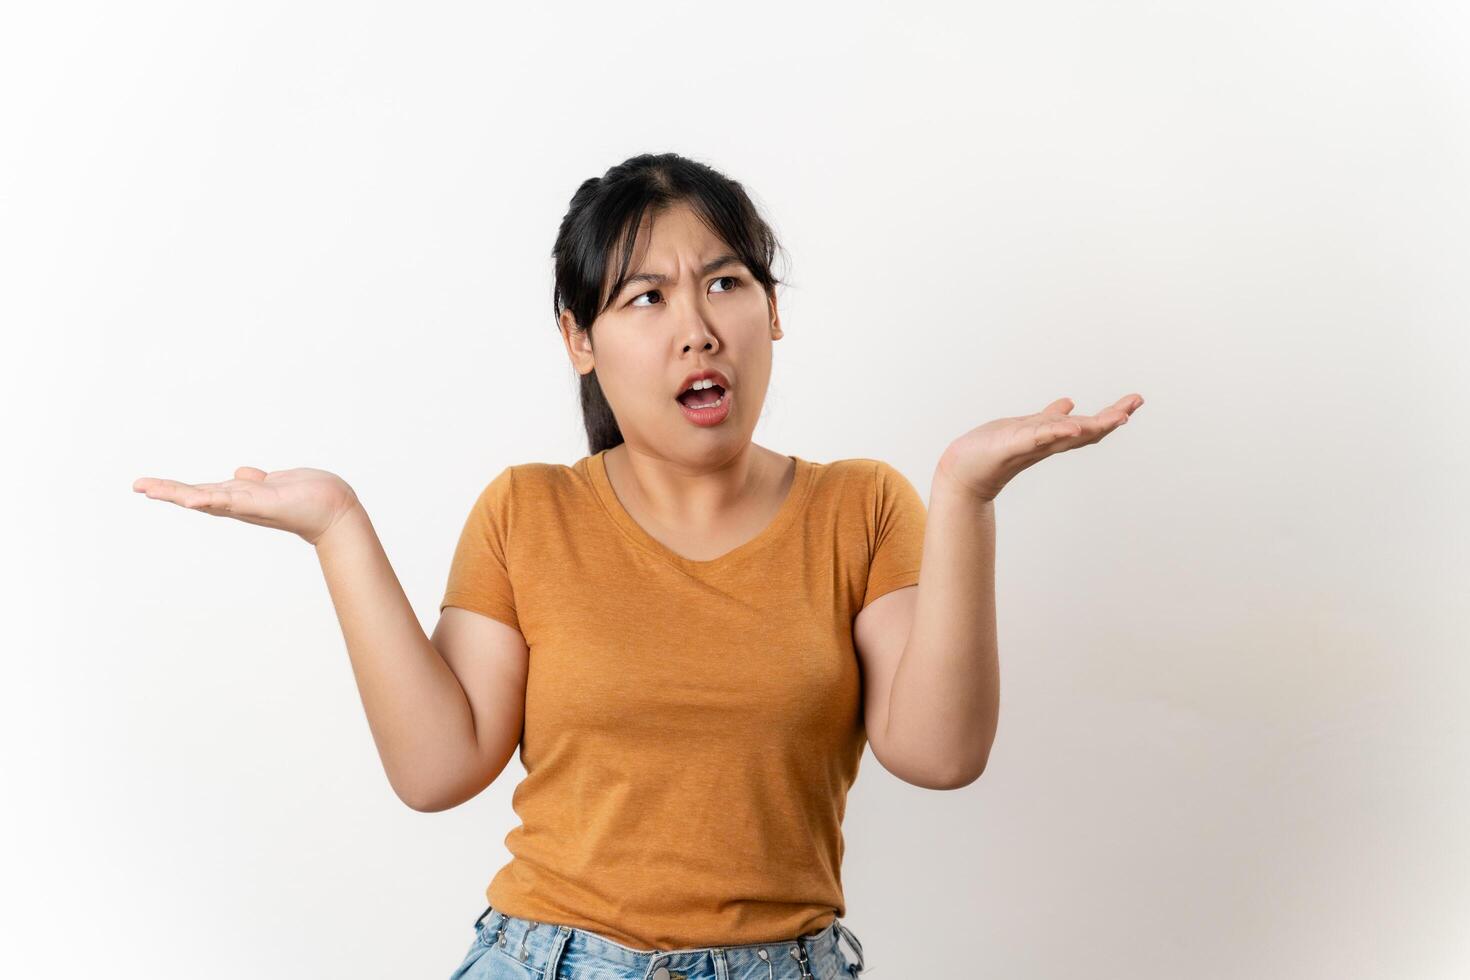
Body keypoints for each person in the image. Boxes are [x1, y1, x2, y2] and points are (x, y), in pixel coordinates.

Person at [132, 151, 1142, 979]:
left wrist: (965, 494)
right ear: (579, 338)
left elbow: (940, 750)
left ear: (773, 311)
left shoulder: (862, 506)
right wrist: (337, 526)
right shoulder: (530, 511)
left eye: (725, 282)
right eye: (645, 297)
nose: (697, 327)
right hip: (544, 960)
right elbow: (439, 768)